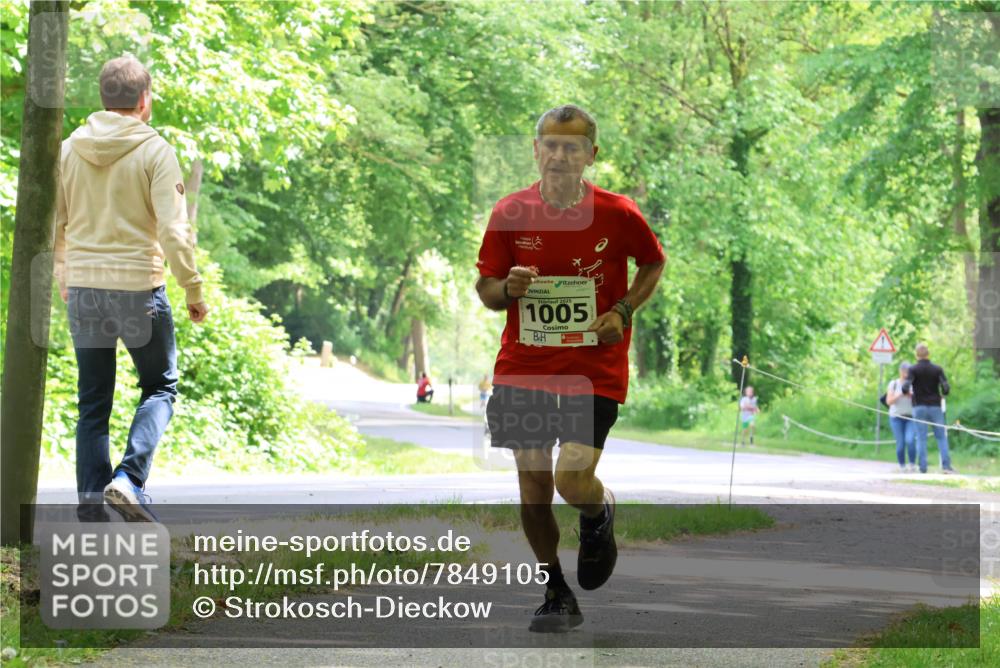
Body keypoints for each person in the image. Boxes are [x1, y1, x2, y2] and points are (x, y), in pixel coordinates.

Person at [476, 104, 665, 632]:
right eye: (550, 145)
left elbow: (653, 262)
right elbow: (487, 289)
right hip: (524, 367)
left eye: (572, 146)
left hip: (593, 369)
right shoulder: (509, 213)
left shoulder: (619, 213)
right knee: (533, 486)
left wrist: (623, 310)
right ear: (536, 150)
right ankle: (555, 589)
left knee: (569, 479)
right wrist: (506, 288)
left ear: (590, 155)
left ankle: (597, 508)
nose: (559, 155)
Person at [54, 56, 209, 522]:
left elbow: (57, 224)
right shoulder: (155, 151)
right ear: (145, 101)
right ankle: (129, 479)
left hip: (84, 287)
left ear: (103, 99)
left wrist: (65, 276)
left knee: (93, 398)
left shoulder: (67, 150)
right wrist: (193, 287)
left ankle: (91, 509)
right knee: (161, 386)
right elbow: (173, 230)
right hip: (138, 287)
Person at [906, 343, 954, 474]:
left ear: (916, 355)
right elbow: (946, 387)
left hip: (919, 406)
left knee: (921, 438)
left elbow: (906, 386)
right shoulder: (937, 369)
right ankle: (946, 466)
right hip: (935, 406)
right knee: (941, 437)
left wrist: (909, 392)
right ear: (928, 354)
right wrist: (943, 395)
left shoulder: (913, 370)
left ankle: (923, 467)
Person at [887, 362, 917, 472]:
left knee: (910, 440)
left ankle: (912, 464)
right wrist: (900, 394)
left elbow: (918, 401)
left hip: (910, 418)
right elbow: (889, 401)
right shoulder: (894, 384)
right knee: (900, 442)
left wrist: (910, 395)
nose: (906, 373)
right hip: (896, 417)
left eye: (908, 371)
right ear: (900, 371)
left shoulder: (914, 385)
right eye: (904, 371)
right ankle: (902, 465)